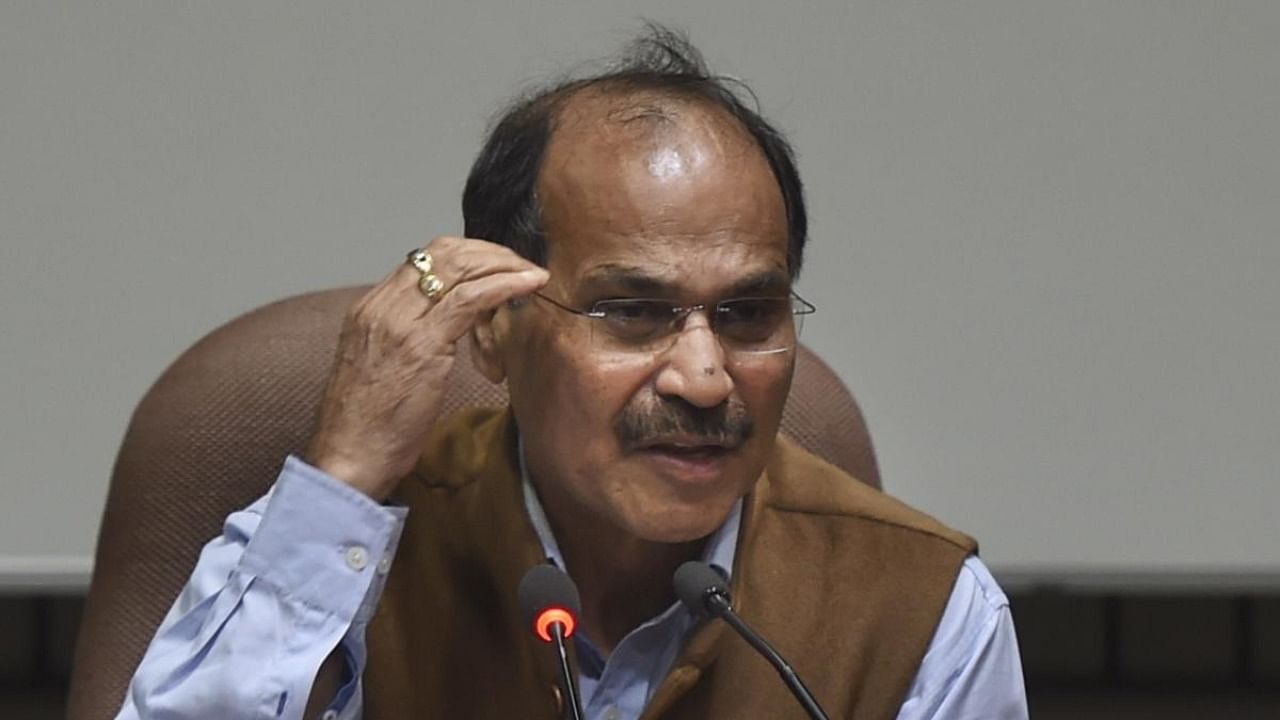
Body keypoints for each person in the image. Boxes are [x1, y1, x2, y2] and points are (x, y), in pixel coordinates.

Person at [118, 25, 1027, 720]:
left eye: (749, 314)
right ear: (495, 333)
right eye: (633, 313)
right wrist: (342, 476)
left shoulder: (922, 604)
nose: (706, 380)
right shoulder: (355, 559)